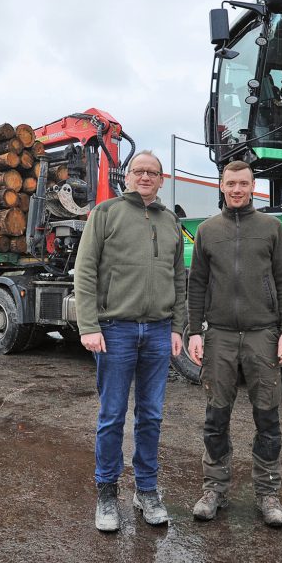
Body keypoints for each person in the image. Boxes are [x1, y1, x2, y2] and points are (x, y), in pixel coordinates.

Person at [73, 150, 186, 532]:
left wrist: (177, 327)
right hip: (115, 330)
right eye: (138, 171)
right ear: (127, 175)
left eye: (152, 172)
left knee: (151, 415)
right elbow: (85, 270)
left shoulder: (170, 221)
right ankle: (106, 493)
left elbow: (179, 279)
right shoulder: (105, 214)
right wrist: (88, 324)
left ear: (161, 179)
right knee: (112, 416)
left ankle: (146, 490)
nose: (145, 177)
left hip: (157, 330)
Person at [186, 159, 282, 527]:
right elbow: (197, 284)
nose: (237, 189)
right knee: (215, 417)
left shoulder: (271, 228)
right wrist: (195, 331)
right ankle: (214, 490)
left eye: (243, 183)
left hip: (262, 335)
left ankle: (268, 494)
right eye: (230, 183)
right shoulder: (207, 231)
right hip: (218, 336)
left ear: (253, 187)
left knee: (267, 417)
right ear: (221, 186)